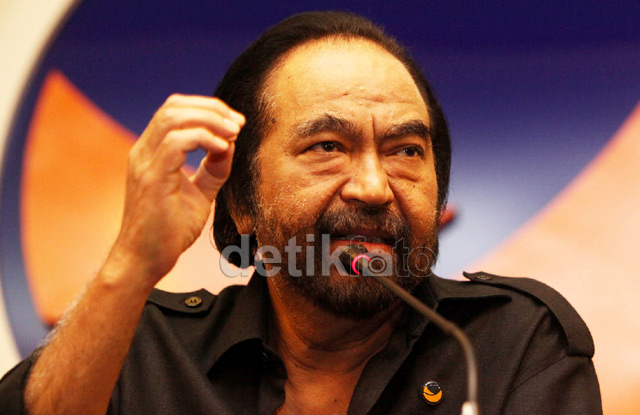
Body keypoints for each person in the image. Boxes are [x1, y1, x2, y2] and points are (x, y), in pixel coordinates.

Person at [0, 11, 601, 415]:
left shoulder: (510, 343)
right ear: (242, 204)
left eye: (405, 151)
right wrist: (131, 264)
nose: (373, 188)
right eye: (327, 147)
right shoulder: (145, 349)